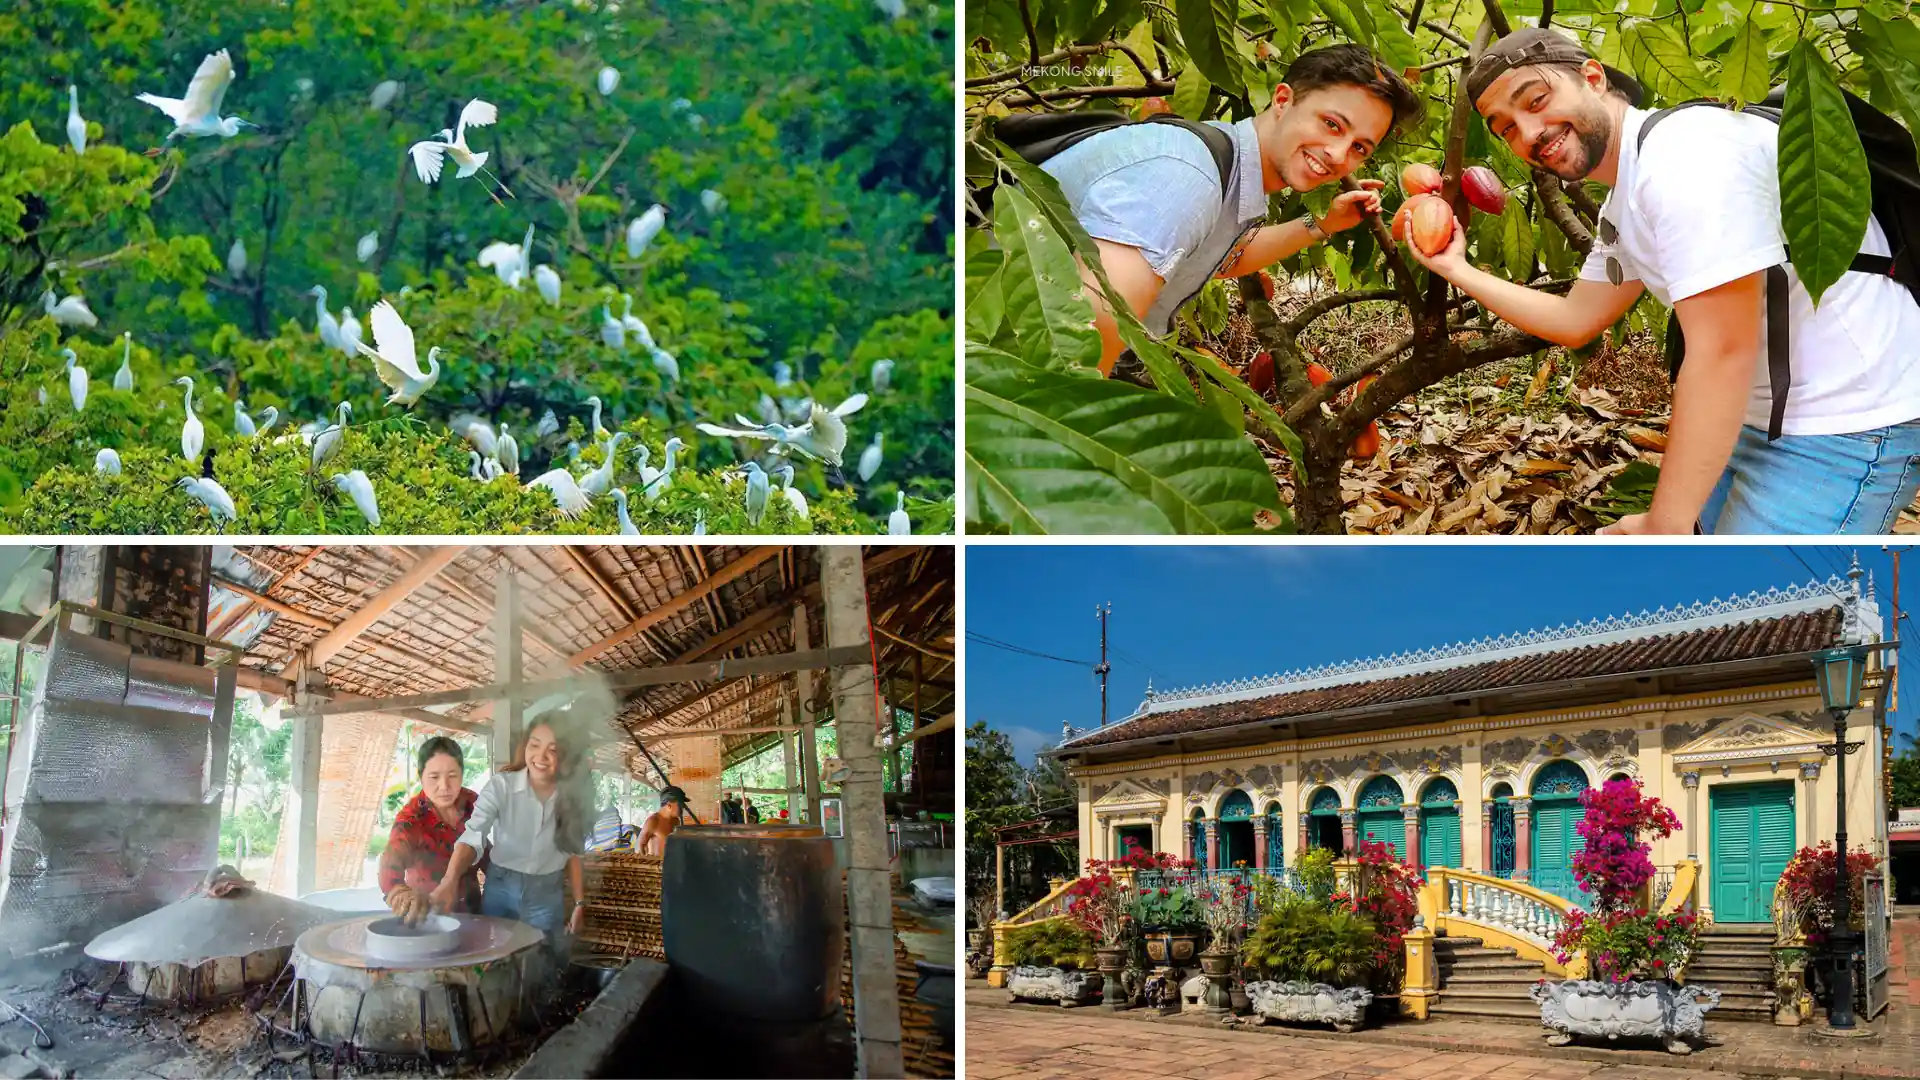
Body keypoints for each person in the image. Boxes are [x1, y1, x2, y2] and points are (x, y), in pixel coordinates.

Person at [1410, 27, 1920, 534]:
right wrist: (1456, 268)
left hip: (1846, 420)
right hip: (1761, 417)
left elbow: (1721, 351)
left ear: (1593, 78)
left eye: (1537, 101)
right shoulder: (1630, 188)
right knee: (1712, 578)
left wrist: (1662, 528)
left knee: (1754, 588)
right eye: (1505, 129)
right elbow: (1575, 319)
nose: (1528, 133)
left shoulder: (1684, 158)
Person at [1034, 44, 1423, 375]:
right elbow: (1090, 322)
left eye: (1359, 147)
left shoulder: (1227, 166)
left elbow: (1220, 257)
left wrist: (1322, 223)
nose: (1339, 155)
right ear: (1283, 100)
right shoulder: (1189, 176)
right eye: (1332, 124)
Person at [429, 719, 591, 939]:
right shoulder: (501, 786)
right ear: (525, 746)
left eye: (552, 750)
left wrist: (580, 903)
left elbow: (573, 852)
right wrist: (449, 881)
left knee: (544, 955)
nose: (541, 756)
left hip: (546, 894)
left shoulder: (573, 799)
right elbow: (474, 834)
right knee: (496, 952)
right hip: (500, 888)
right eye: (534, 745)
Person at [380, 736, 483, 924]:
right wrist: (402, 895)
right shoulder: (411, 820)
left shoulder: (474, 804)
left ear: (462, 774)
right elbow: (390, 867)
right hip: (429, 918)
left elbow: (487, 848)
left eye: (452, 776)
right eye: (434, 777)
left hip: (475, 914)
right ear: (421, 776)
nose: (444, 786)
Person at [638, 786, 688, 856]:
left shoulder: (676, 821)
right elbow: (641, 846)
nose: (683, 808)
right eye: (680, 805)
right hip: (656, 862)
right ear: (669, 805)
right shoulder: (653, 821)